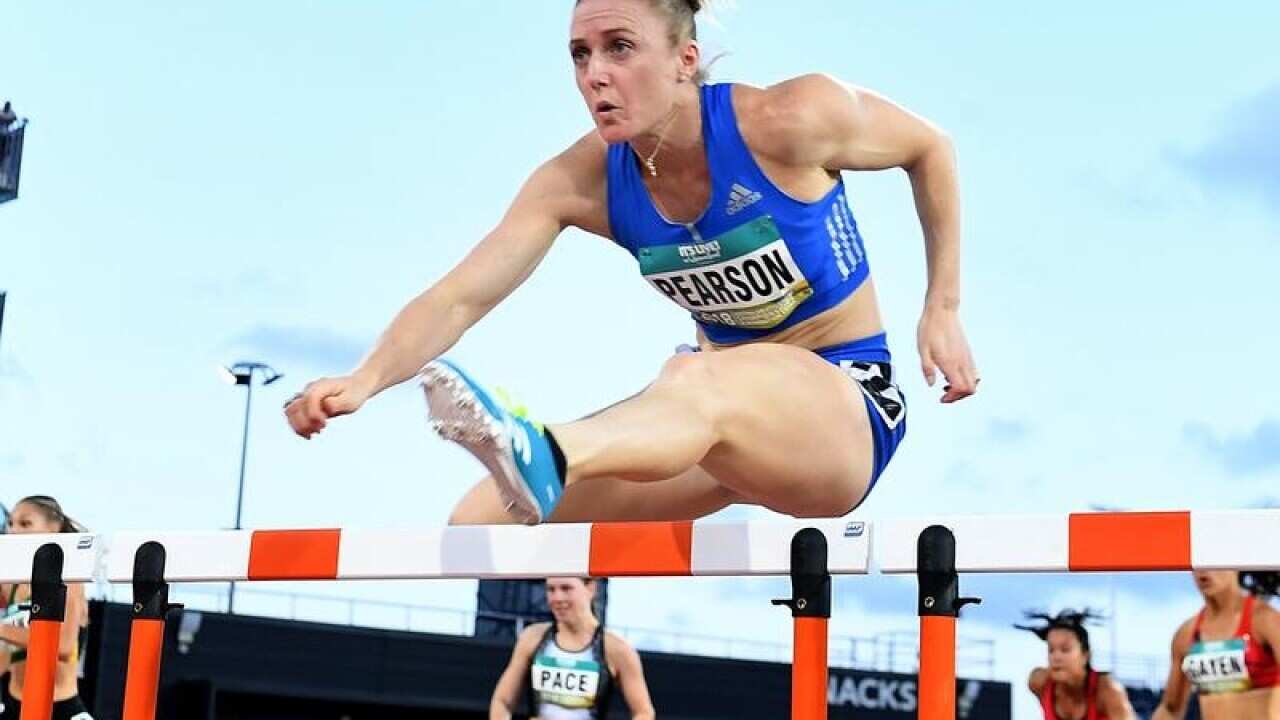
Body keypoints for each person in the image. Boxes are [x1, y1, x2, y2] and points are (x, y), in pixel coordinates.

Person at [285, 0, 979, 525]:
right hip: (710, 434)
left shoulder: (787, 120)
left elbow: (930, 146)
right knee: (481, 524)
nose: (596, 76)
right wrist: (364, 379)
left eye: (619, 48)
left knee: (696, 377)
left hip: (844, 412)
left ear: (685, 59)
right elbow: (460, 296)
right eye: (580, 55)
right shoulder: (579, 181)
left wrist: (941, 307)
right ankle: (540, 464)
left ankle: (547, 449)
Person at [489, 577, 654, 720]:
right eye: (550, 589)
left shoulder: (616, 649)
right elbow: (502, 701)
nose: (557, 598)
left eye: (566, 589)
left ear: (591, 588)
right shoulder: (532, 638)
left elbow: (644, 712)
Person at [0, 496, 94, 720]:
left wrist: (2, 630)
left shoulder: (70, 580)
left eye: (25, 524)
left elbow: (62, 645)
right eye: (10, 524)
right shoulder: (10, 582)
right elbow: (9, 652)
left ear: (54, 529)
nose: (13, 531)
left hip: (58, 706)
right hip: (14, 704)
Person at [1152, 571, 1280, 720]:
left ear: (1236, 566)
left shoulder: (1265, 621)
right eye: (1198, 565)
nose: (1204, 571)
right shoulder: (1185, 635)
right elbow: (1171, 709)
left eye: (1214, 562)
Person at [1018, 609, 1136, 720]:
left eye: (1065, 649)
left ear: (1085, 656)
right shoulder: (1039, 682)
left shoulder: (1107, 691)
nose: (1056, 657)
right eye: (1051, 650)